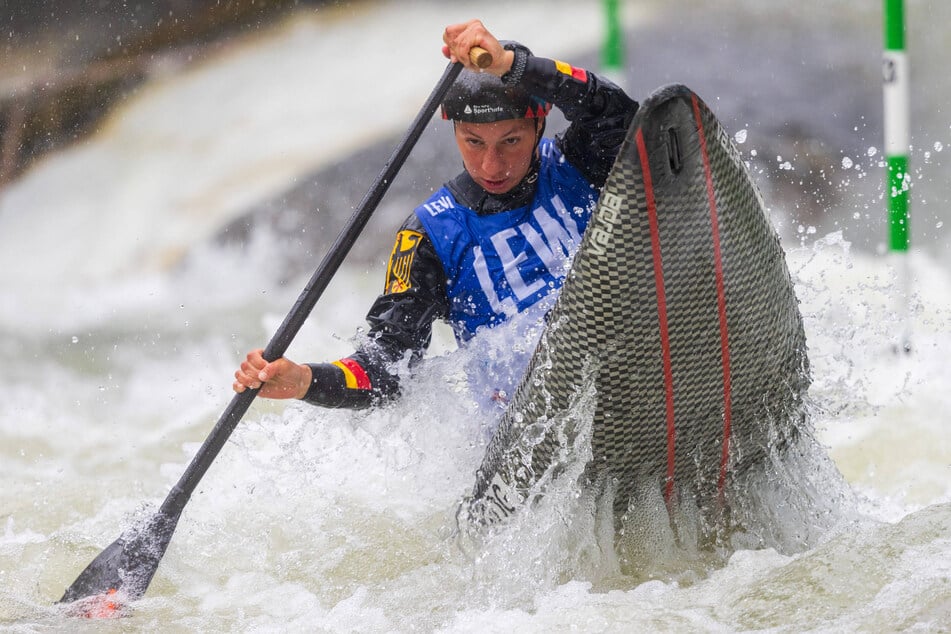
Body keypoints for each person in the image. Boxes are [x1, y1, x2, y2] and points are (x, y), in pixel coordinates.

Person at [233, 19, 638, 409]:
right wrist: (307, 380)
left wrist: (513, 67)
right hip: (528, 426)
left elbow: (619, 113)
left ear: (539, 123)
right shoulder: (430, 235)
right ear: (455, 131)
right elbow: (388, 366)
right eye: (474, 142)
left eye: (510, 141)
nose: (492, 166)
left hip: (623, 363)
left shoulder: (581, 163)